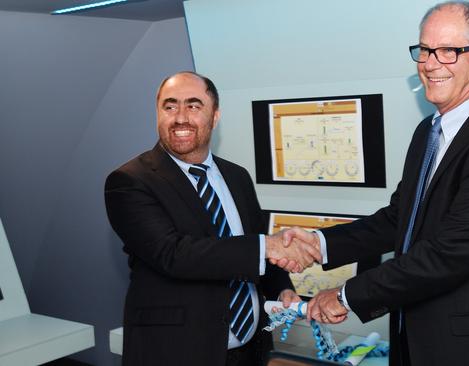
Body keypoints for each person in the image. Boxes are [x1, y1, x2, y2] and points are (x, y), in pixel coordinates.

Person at [279, 2, 469, 365]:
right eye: (425, 50)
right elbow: (399, 219)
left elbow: (449, 255)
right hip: (422, 342)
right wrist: (321, 244)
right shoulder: (430, 132)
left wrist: (344, 296)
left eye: (448, 51)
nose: (430, 63)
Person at [104, 71, 320, 366]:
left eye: (193, 106)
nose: (180, 117)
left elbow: (255, 248)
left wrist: (281, 287)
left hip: (250, 349)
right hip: (177, 352)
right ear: (158, 113)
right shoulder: (129, 181)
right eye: (170, 106)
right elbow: (174, 254)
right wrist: (268, 246)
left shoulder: (237, 176)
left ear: (215, 116)